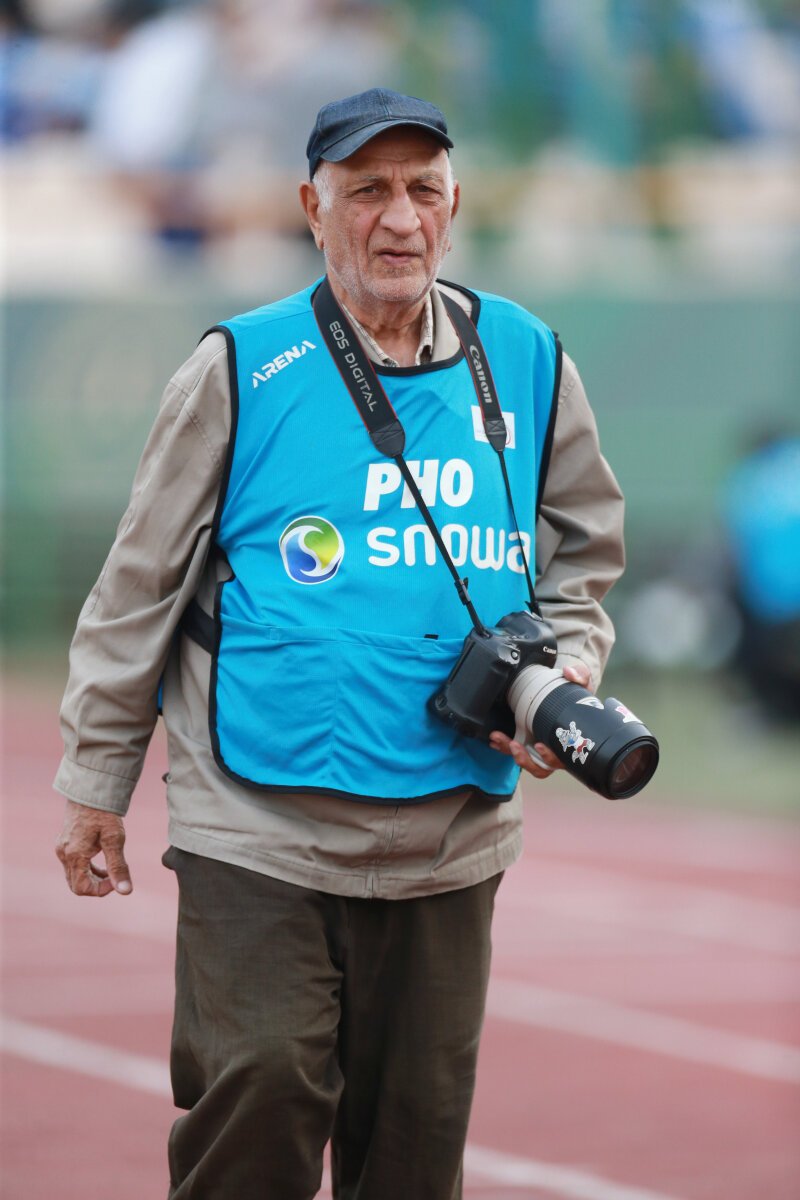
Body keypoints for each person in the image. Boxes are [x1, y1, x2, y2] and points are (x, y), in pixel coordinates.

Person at [54, 88, 625, 1199]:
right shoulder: (240, 365)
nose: (398, 218)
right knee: (261, 1088)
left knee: (414, 1144)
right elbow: (139, 586)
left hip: (449, 829)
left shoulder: (527, 357)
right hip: (257, 820)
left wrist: (567, 665)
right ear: (312, 210)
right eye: (366, 191)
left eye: (422, 190)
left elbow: (584, 548)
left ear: (454, 205)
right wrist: (96, 782)